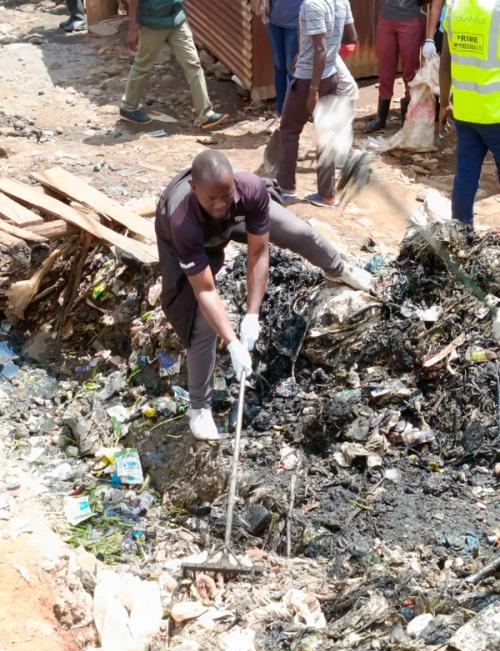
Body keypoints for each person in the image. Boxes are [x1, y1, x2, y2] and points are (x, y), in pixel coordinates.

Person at [155, 150, 373, 440]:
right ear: (195, 191)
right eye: (212, 199)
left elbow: (258, 253)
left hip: (239, 218)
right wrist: (232, 343)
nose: (220, 204)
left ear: (234, 182)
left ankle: (338, 267)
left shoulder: (248, 191)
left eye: (226, 194)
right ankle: (199, 408)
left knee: (299, 231)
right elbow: (205, 288)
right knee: (200, 318)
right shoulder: (182, 220)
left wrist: (252, 315)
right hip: (198, 238)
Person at [277, 0, 355, 208]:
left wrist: (312, 91)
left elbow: (319, 49)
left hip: (308, 80)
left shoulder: (311, 5)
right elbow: (351, 38)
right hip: (331, 77)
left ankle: (286, 189)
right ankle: (327, 195)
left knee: (289, 130)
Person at [120, 0, 228, 128]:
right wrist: (132, 28)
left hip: (176, 20)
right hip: (152, 23)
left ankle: (205, 114)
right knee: (143, 66)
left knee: (193, 64)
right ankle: (128, 107)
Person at [439, 0, 500, 227]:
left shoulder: (454, 6)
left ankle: (461, 236)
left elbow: (445, 63)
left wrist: (444, 103)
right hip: (496, 113)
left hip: (465, 112)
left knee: (465, 176)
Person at [365, 0, 427, 133]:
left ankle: (407, 120)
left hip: (410, 19)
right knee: (385, 69)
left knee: (410, 71)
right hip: (386, 19)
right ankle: (381, 118)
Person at [266, 1, 303, 118]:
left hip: (294, 24)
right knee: (279, 67)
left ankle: (293, 114)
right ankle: (281, 112)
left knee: (291, 69)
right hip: (273, 20)